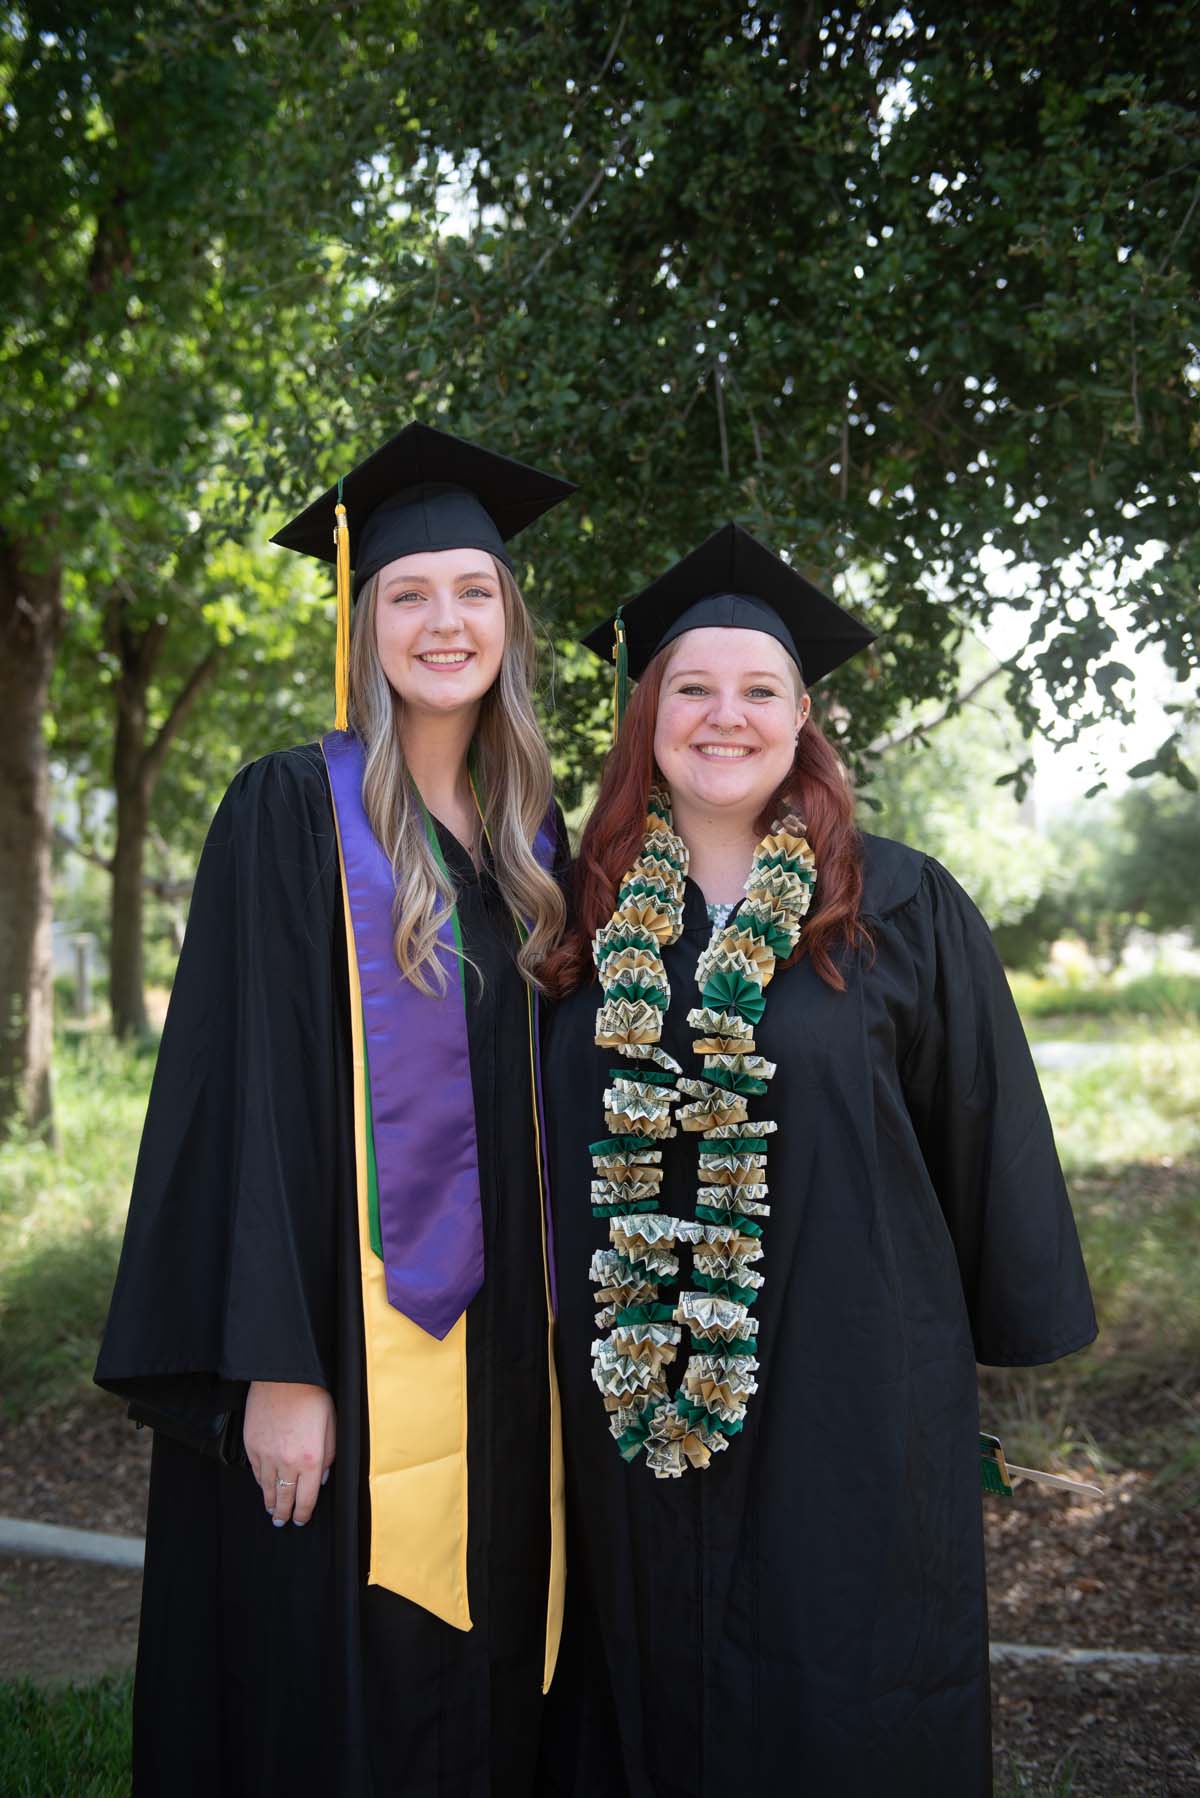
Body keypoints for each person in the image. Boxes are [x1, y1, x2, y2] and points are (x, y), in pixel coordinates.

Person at [536, 523, 1097, 1797]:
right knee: (633, 1692)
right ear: (646, 717)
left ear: (804, 718)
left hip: (852, 1384)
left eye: (758, 689)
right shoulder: (573, 909)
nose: (722, 716)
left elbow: (981, 1126)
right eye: (691, 686)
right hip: (627, 1394)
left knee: (843, 1684)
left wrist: (985, 1345)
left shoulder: (897, 904)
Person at [95, 423, 577, 1796]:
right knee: (342, 1683)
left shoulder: (538, 848)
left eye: (473, 591)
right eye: (409, 592)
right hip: (339, 1350)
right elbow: (238, 1104)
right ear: (362, 621)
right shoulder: (287, 816)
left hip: (506, 1363)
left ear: (510, 620)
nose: (445, 621)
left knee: (489, 1671)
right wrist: (277, 1365)